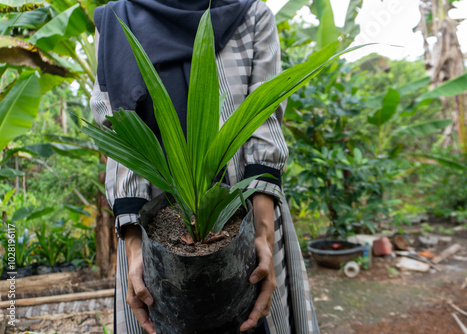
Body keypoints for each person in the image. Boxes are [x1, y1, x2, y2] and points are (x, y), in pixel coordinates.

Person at [90, 0, 320, 333]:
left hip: (248, 211)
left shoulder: (251, 13)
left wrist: (263, 240)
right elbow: (121, 135)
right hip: (151, 228)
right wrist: (135, 250)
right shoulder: (115, 21)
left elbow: (264, 120)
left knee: (253, 316)